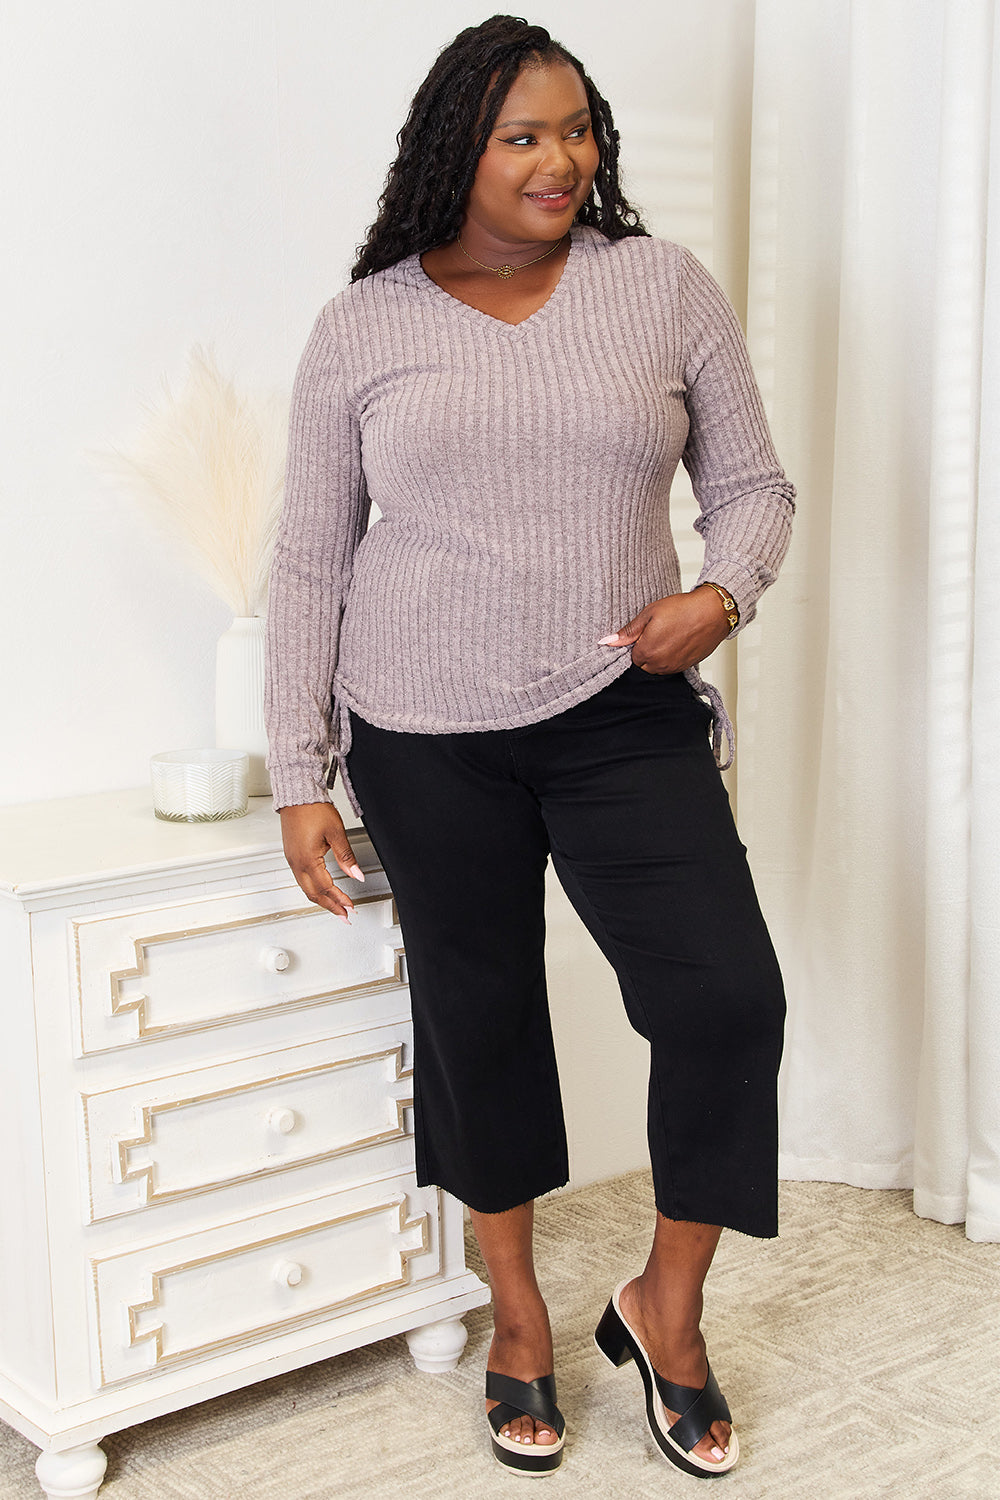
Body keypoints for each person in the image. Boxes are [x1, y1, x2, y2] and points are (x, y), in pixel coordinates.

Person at [264, 14, 793, 1481]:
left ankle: (666, 1314)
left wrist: (716, 594)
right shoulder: (362, 325)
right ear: (457, 152)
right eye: (524, 136)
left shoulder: (659, 289)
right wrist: (301, 773)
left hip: (621, 708)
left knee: (727, 1002)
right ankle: (516, 1319)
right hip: (424, 733)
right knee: (484, 1026)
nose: (564, 159)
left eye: (579, 129)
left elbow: (753, 483)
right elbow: (311, 560)